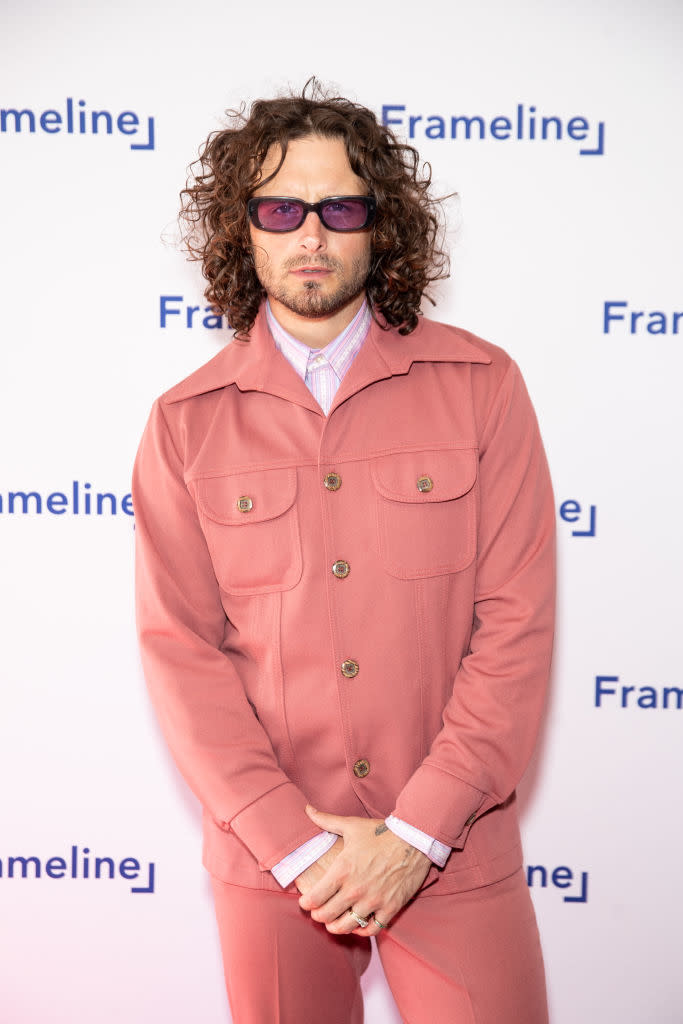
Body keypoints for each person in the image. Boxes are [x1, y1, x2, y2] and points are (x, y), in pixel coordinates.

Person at [133, 80, 555, 1024]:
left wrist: (415, 833)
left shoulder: (483, 388)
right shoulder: (183, 426)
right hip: (274, 859)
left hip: (451, 844)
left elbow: (516, 627)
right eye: (280, 208)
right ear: (242, 229)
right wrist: (293, 844)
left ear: (380, 225)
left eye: (341, 208)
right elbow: (183, 657)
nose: (310, 235)